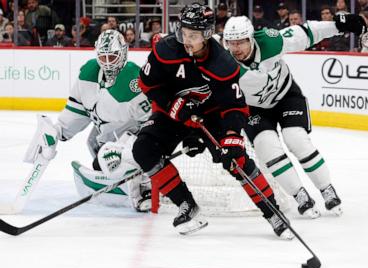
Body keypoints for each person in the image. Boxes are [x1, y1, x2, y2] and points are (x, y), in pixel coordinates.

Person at [128, 3, 293, 239]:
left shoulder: (223, 64)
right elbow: (148, 84)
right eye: (184, 32)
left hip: (212, 116)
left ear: (206, 34)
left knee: (236, 160)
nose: (186, 40)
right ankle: (188, 206)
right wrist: (172, 106)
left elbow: (234, 107)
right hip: (173, 113)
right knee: (144, 150)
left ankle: (273, 211)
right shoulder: (165, 50)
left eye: (193, 35)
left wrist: (232, 137)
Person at [223, 14, 366, 218]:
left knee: (296, 138)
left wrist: (337, 25)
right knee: (266, 146)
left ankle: (326, 188)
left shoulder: (271, 41)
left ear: (251, 38)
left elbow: (306, 33)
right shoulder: (223, 61)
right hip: (253, 109)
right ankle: (299, 194)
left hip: (286, 96)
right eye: (232, 43)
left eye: (241, 42)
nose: (236, 48)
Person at [24, 29, 152, 212]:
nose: (107, 63)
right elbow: (78, 111)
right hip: (108, 139)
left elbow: (153, 122)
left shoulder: (133, 80)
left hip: (135, 141)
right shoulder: (88, 73)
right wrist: (56, 132)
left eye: (113, 57)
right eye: (103, 57)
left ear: (123, 53)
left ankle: (145, 185)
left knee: (109, 154)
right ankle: (123, 177)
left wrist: (134, 150)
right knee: (95, 146)